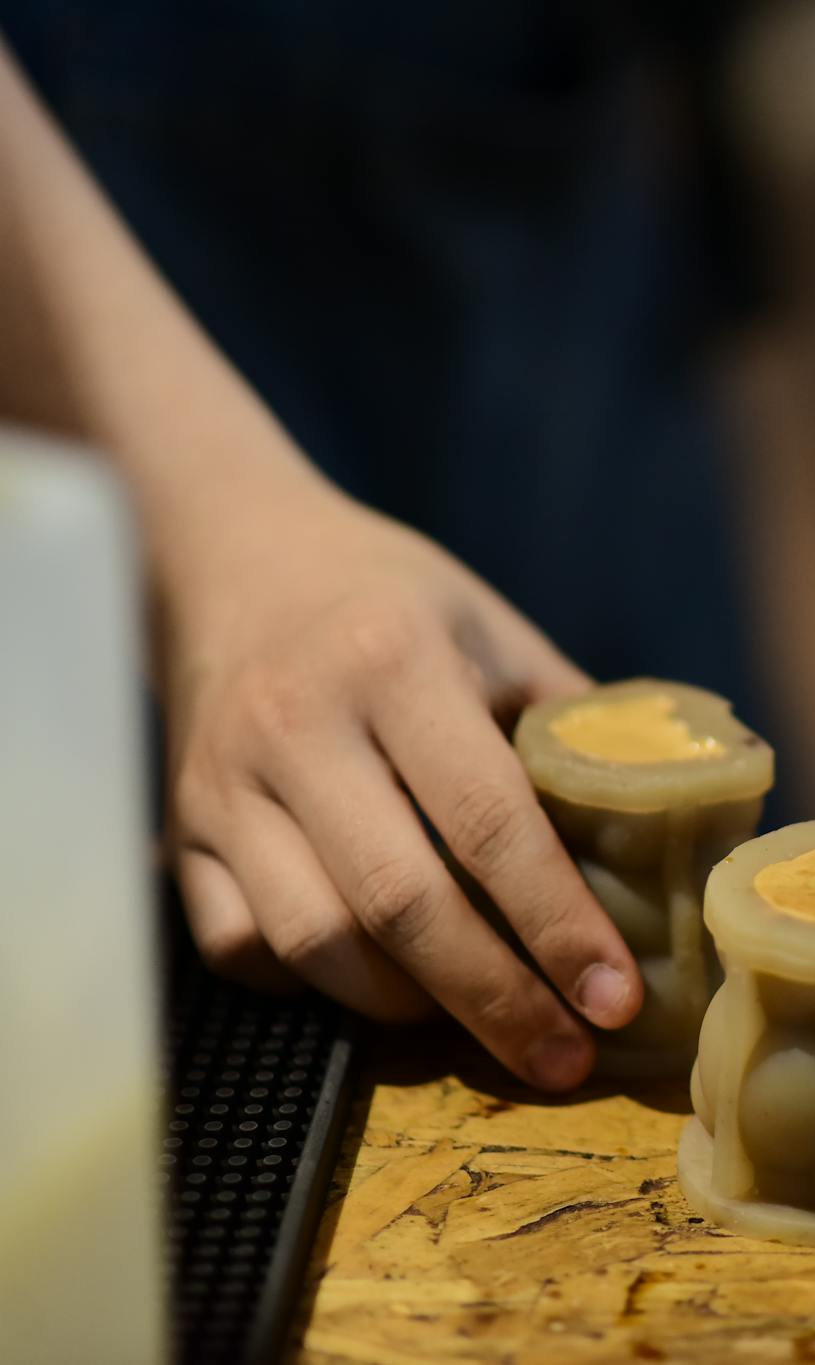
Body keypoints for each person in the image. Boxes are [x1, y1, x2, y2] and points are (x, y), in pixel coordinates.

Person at [0, 6, 773, 1092]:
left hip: (559, 135)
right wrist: (210, 526)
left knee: (725, 930)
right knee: (251, 946)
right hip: (92, 201)